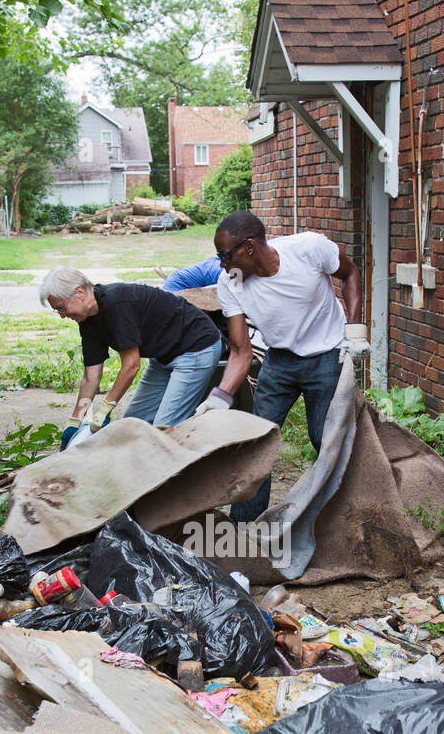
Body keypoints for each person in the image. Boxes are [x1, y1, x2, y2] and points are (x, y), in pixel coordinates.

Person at [195, 211, 367, 522]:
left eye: (224, 255)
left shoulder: (309, 249)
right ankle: (244, 532)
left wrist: (354, 330)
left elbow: (350, 272)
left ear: (249, 247)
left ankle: (346, 521)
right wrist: (218, 399)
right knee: (255, 446)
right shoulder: (229, 284)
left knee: (326, 441)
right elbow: (240, 351)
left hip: (327, 356)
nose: (222, 264)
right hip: (279, 361)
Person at [39, 267, 223, 449]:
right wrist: (76, 419)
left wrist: (104, 411)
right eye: (58, 311)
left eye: (61, 308)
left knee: (164, 429)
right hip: (163, 355)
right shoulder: (88, 320)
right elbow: (91, 378)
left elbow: (131, 365)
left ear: (79, 292)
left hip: (196, 348)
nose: (63, 316)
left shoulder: (117, 304)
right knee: (132, 424)